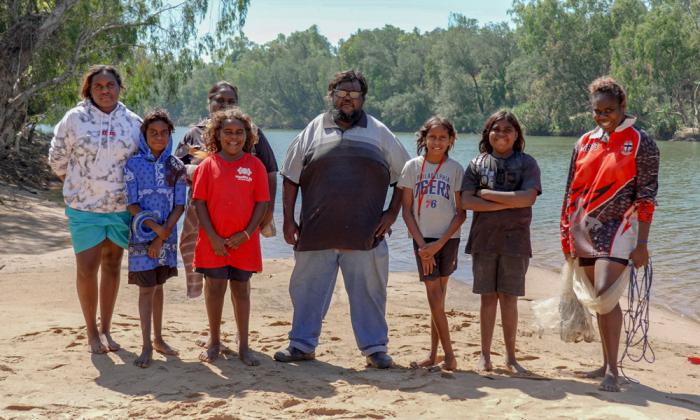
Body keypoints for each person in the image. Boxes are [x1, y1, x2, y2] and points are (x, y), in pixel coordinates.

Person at [274, 70, 410, 369]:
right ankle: (301, 345)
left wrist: (391, 213)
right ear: (331, 95)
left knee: (371, 293)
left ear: (363, 98)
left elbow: (406, 175)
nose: (347, 99)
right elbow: (290, 177)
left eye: (354, 94)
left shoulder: (379, 132)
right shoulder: (313, 129)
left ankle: (375, 349)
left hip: (365, 235)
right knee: (306, 290)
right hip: (315, 231)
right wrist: (288, 220)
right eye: (341, 93)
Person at [560, 76, 659, 392]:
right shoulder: (585, 142)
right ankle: (605, 363)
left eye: (610, 109)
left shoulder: (642, 142)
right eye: (598, 110)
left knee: (603, 294)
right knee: (594, 297)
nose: (603, 115)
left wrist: (642, 244)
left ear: (622, 107)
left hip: (621, 226)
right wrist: (566, 233)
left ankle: (613, 372)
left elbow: (646, 195)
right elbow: (571, 190)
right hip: (584, 228)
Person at [48, 65, 141, 354]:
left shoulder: (133, 122)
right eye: (98, 86)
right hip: (84, 208)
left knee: (112, 266)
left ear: (119, 87)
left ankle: (106, 330)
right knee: (87, 268)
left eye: (110, 85)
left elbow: (140, 163)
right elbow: (57, 157)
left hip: (120, 208)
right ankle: (91, 333)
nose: (104, 90)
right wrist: (78, 185)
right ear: (89, 89)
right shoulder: (74, 119)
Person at [174, 81, 278, 301]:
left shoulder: (250, 132)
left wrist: (268, 210)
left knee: (241, 277)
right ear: (209, 102)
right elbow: (173, 170)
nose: (225, 105)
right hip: (201, 213)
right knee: (210, 273)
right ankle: (214, 332)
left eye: (231, 101)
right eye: (219, 100)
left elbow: (270, 171)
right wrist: (196, 170)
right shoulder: (194, 134)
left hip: (242, 214)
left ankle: (239, 331)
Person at [461, 110, 541, 374]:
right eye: (496, 129)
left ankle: (510, 356)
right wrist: (505, 203)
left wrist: (487, 196)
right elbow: (466, 201)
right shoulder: (476, 163)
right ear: (488, 133)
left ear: (516, 134)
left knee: (509, 299)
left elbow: (527, 198)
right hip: (484, 240)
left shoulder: (528, 163)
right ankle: (485, 355)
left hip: (516, 242)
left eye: (508, 129)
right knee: (487, 299)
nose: (502, 134)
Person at [191, 108, 269, 366]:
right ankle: (214, 341)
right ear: (217, 134)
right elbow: (199, 203)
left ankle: (244, 345)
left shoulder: (255, 165)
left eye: (239, 132)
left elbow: (261, 204)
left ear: (247, 136)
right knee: (214, 289)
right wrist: (213, 237)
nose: (233, 137)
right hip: (213, 241)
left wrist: (247, 233)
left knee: (241, 291)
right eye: (228, 132)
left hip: (244, 242)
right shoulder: (207, 165)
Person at [398, 117, 466, 371]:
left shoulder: (455, 169)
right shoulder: (412, 167)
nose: (437, 142)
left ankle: (438, 354)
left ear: (450, 141)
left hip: (447, 240)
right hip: (422, 240)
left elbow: (461, 213)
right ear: (424, 138)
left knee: (438, 299)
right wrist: (423, 246)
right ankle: (447, 356)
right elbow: (406, 211)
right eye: (433, 137)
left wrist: (438, 245)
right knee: (434, 298)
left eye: (443, 138)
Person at [124, 109, 186, 368]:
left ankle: (159, 339)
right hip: (142, 236)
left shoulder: (177, 166)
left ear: (170, 135)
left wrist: (163, 235)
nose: (158, 137)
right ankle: (146, 345)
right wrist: (154, 231)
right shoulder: (133, 164)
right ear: (145, 135)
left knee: (159, 286)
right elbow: (132, 204)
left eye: (163, 133)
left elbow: (180, 205)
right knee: (146, 289)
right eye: (153, 133)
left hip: (168, 237)